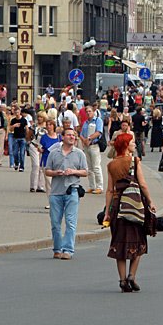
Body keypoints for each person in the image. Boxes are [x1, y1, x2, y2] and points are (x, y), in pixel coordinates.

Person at [104, 133, 155, 291]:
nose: (134, 144)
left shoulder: (111, 165)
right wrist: (150, 201)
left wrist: (107, 212)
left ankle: (122, 280)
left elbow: (110, 191)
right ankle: (132, 275)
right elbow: (143, 184)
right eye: (132, 142)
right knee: (138, 241)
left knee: (118, 243)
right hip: (135, 205)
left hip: (118, 207)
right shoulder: (134, 160)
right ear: (126, 146)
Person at [44, 127, 88, 260]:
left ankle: (68, 250)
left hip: (72, 190)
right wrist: (55, 172)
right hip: (56, 192)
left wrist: (74, 172)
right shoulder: (54, 152)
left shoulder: (79, 153)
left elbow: (85, 172)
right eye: (69, 135)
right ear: (62, 137)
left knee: (70, 222)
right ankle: (57, 249)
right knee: (55, 223)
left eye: (74, 135)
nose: (72, 137)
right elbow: (47, 170)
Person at [80, 105, 105, 195]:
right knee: (89, 167)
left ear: (93, 111)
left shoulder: (98, 120)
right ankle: (92, 186)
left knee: (96, 166)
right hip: (87, 146)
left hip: (94, 145)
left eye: (90, 111)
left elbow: (99, 132)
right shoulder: (85, 123)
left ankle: (99, 186)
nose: (88, 113)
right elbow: (81, 133)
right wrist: (84, 140)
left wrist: (89, 139)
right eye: (87, 111)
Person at [8, 106, 28, 172]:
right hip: (15, 138)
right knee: (15, 153)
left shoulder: (24, 120)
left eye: (18, 112)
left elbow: (27, 128)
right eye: (16, 112)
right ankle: (16, 163)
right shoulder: (13, 120)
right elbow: (10, 129)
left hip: (22, 138)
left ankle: (22, 166)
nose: (17, 114)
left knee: (22, 153)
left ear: (20, 112)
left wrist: (27, 137)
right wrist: (14, 126)